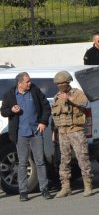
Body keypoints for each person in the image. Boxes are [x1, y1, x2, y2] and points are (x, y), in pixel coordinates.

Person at [1, 72, 53, 200]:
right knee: (22, 163)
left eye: (29, 81)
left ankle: (44, 189)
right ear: (20, 83)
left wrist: (43, 122)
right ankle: (23, 191)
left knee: (40, 161)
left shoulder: (34, 91)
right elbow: (3, 111)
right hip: (20, 134)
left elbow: (46, 107)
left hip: (35, 132)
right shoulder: (10, 95)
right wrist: (11, 110)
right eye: (27, 81)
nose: (30, 83)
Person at [51, 70, 92, 198]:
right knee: (64, 161)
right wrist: (54, 132)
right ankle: (65, 187)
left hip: (76, 130)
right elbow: (54, 116)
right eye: (58, 83)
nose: (60, 85)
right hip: (62, 132)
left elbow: (86, 104)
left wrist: (70, 98)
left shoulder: (77, 93)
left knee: (82, 158)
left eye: (62, 83)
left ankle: (88, 185)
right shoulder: (57, 97)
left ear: (68, 82)